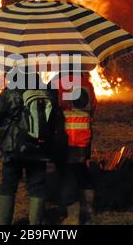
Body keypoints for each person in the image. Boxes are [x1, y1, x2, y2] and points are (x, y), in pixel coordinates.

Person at [0, 69, 57, 225]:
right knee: (37, 185)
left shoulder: (11, 92)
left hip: (13, 147)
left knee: (8, 184)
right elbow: (53, 121)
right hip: (39, 147)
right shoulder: (47, 91)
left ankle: (4, 224)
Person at [50, 72, 96, 225]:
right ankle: (88, 209)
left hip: (66, 138)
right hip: (84, 135)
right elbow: (93, 106)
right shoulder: (87, 84)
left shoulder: (58, 83)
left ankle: (71, 214)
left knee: (67, 175)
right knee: (82, 171)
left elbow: (51, 108)